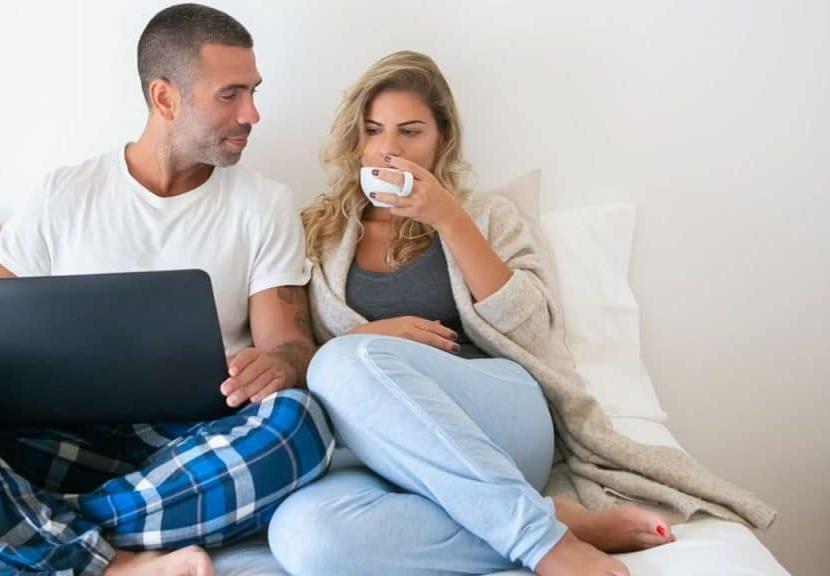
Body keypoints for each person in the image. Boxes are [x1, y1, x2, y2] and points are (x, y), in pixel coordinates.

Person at [0, 5, 334, 576]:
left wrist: (279, 366)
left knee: (300, 426)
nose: (251, 113)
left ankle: (1, 537)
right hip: (46, 440)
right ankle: (109, 565)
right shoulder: (66, 192)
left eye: (254, 92)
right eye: (230, 94)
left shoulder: (265, 204)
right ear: (164, 98)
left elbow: (289, 347)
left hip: (181, 451)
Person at [267, 51, 676, 576]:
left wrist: (449, 219)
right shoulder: (318, 231)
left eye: (410, 132)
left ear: (443, 139)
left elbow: (533, 328)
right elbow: (302, 356)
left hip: (496, 410)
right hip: (383, 445)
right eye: (373, 131)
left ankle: (546, 546)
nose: (388, 149)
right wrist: (369, 336)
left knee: (339, 364)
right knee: (303, 536)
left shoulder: (488, 215)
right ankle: (556, 522)